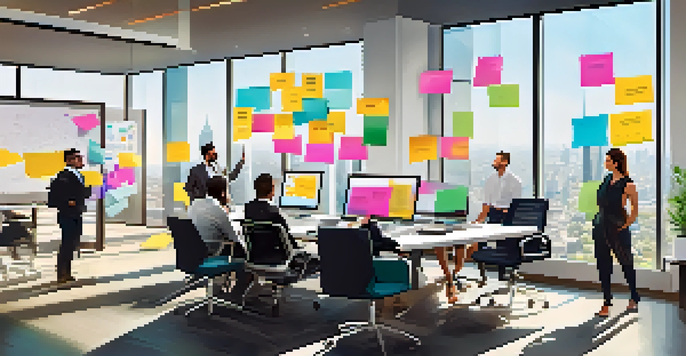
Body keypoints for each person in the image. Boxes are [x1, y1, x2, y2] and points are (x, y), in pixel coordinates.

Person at [594, 148, 640, 317]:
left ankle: (634, 296)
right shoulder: (607, 179)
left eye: (608, 161)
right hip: (601, 226)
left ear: (616, 163)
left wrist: (625, 224)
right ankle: (606, 302)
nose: (605, 163)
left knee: (626, 262)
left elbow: (634, 209)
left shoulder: (628, 184)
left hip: (617, 227)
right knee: (603, 264)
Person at [244, 173, 318, 276]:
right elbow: (288, 239)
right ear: (272, 189)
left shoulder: (248, 208)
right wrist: (301, 247)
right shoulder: (274, 213)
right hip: (277, 258)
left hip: (255, 257)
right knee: (316, 257)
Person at [47, 149, 90, 283]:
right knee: (67, 243)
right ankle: (62, 272)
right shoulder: (63, 176)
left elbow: (81, 192)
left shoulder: (78, 175)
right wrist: (68, 201)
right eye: (77, 158)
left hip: (76, 212)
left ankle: (67, 272)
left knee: (73, 243)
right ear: (69, 160)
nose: (80, 160)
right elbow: (55, 196)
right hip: (68, 214)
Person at [187, 176, 246, 257]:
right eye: (228, 191)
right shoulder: (218, 210)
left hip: (192, 255)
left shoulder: (194, 205)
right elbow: (234, 239)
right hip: (212, 256)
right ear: (223, 193)